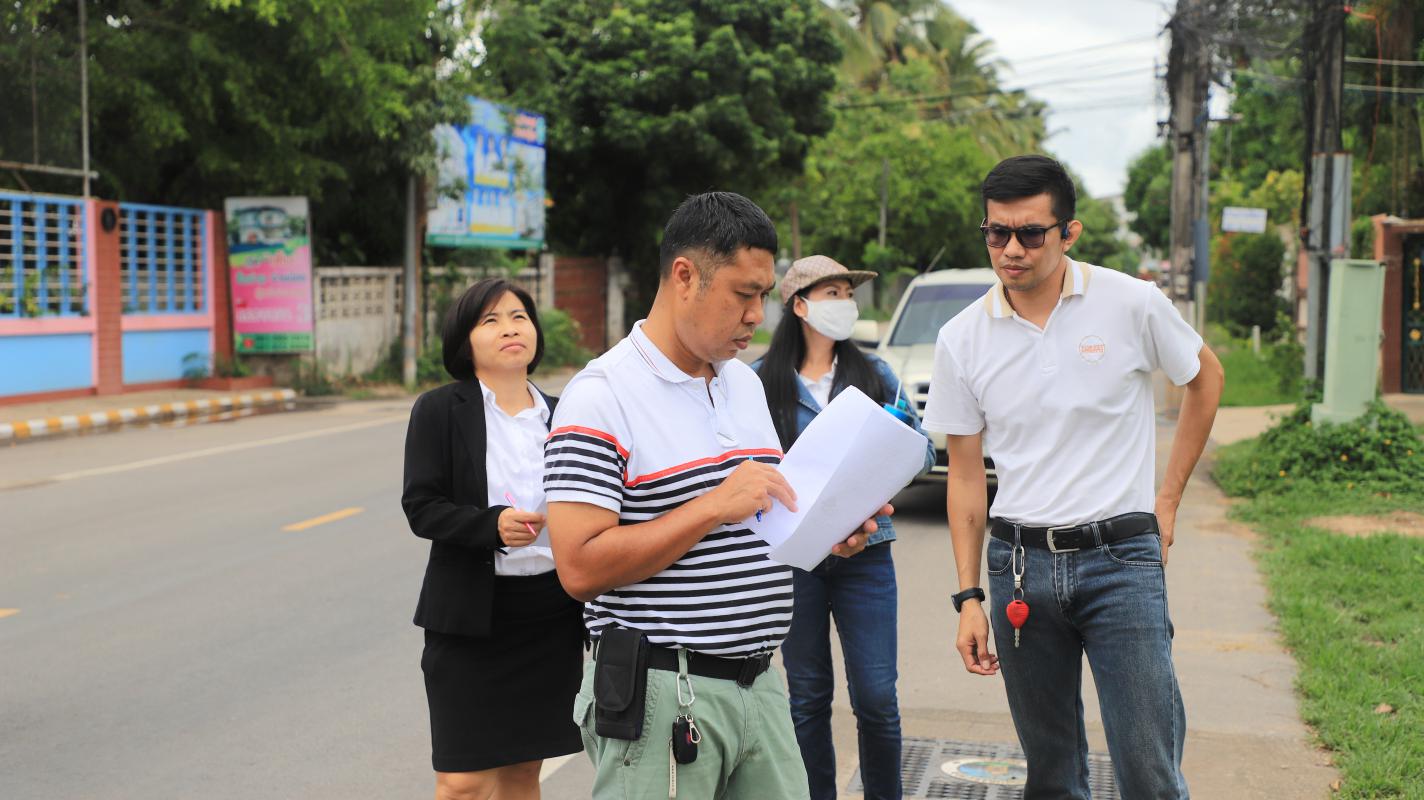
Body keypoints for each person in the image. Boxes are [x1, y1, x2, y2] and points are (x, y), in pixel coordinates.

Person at [543, 192, 892, 800]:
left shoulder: (742, 385)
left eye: (764, 295)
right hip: (664, 694)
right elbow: (578, 568)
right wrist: (711, 506)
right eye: (743, 294)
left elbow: (756, 525)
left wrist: (827, 534)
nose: (758, 315)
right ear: (684, 276)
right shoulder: (601, 396)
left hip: (761, 682)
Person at [923, 155, 1224, 799]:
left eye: (1031, 233)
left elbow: (1206, 378)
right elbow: (966, 478)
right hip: (1019, 569)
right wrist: (968, 596)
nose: (1012, 249)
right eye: (997, 232)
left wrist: (1168, 498)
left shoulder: (1130, 302)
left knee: (1147, 765)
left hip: (1122, 562)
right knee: (1052, 774)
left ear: (1069, 232)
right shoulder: (961, 338)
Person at [751, 255, 934, 800]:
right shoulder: (759, 381)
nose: (846, 304)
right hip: (796, 560)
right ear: (800, 306)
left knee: (877, 698)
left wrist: (885, 467)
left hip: (867, 554)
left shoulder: (875, 374)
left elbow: (922, 449)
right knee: (807, 697)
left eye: (848, 294)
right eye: (833, 294)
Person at [402, 278, 584, 800]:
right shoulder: (440, 410)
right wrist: (491, 526)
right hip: (469, 618)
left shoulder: (565, 414)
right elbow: (421, 506)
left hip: (550, 616)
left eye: (519, 317)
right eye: (491, 320)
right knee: (462, 782)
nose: (509, 329)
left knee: (524, 771)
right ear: (466, 341)